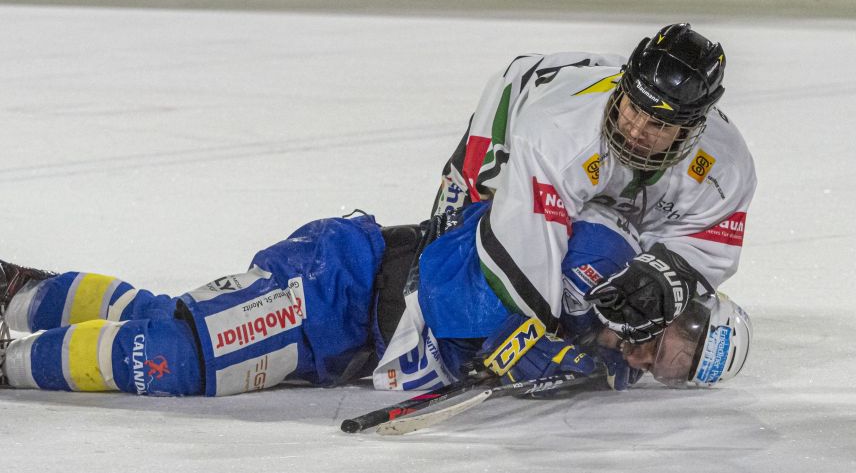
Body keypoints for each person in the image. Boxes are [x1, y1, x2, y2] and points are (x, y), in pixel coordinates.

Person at [0, 201, 751, 397]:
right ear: (679, 305)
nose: (650, 360)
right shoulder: (601, 258)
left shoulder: (614, 353)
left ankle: (21, 293)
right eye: (670, 344)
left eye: (673, 371)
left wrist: (549, 358)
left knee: (170, 320)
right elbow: (473, 261)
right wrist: (509, 339)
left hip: (353, 339)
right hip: (348, 281)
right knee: (184, 357)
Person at [431, 23, 756, 350]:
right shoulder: (559, 133)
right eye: (633, 107)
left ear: (691, 128)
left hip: (577, 139)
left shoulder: (726, 165)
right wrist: (540, 339)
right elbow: (526, 250)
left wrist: (665, 277)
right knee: (455, 241)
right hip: (520, 103)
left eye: (658, 123)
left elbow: (707, 246)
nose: (636, 130)